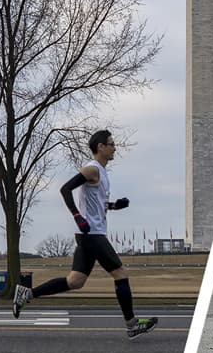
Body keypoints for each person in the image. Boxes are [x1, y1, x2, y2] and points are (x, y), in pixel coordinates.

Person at [12, 130, 157, 338]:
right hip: (92, 235)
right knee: (121, 274)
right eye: (111, 144)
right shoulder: (92, 169)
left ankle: (27, 293)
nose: (115, 148)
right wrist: (77, 217)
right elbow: (65, 189)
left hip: (89, 234)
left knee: (75, 282)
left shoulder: (102, 173)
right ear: (101, 147)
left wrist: (116, 205)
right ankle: (132, 324)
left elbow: (98, 204)